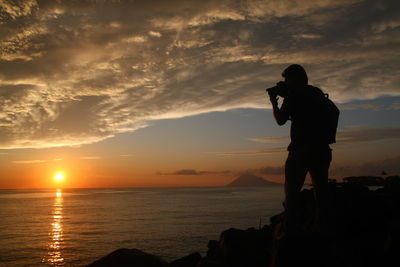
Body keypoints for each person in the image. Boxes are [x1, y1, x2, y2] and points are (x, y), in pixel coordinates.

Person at [267, 64, 336, 235]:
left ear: (295, 79)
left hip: (300, 151)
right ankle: (322, 227)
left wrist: (274, 103)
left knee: (291, 193)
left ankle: (288, 234)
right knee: (321, 191)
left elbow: (281, 120)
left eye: (287, 79)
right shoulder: (317, 93)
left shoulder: (293, 96)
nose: (286, 83)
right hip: (322, 150)